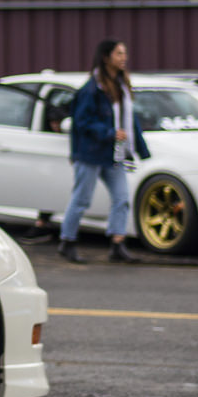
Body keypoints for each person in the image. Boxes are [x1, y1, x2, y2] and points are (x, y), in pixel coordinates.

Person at [59, 40, 150, 263]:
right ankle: (67, 241)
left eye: (124, 53)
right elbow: (82, 121)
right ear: (106, 57)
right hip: (91, 154)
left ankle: (117, 244)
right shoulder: (92, 89)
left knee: (122, 198)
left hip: (114, 154)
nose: (124, 58)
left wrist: (141, 148)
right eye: (119, 53)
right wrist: (109, 133)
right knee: (82, 199)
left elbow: (130, 120)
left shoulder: (122, 86)